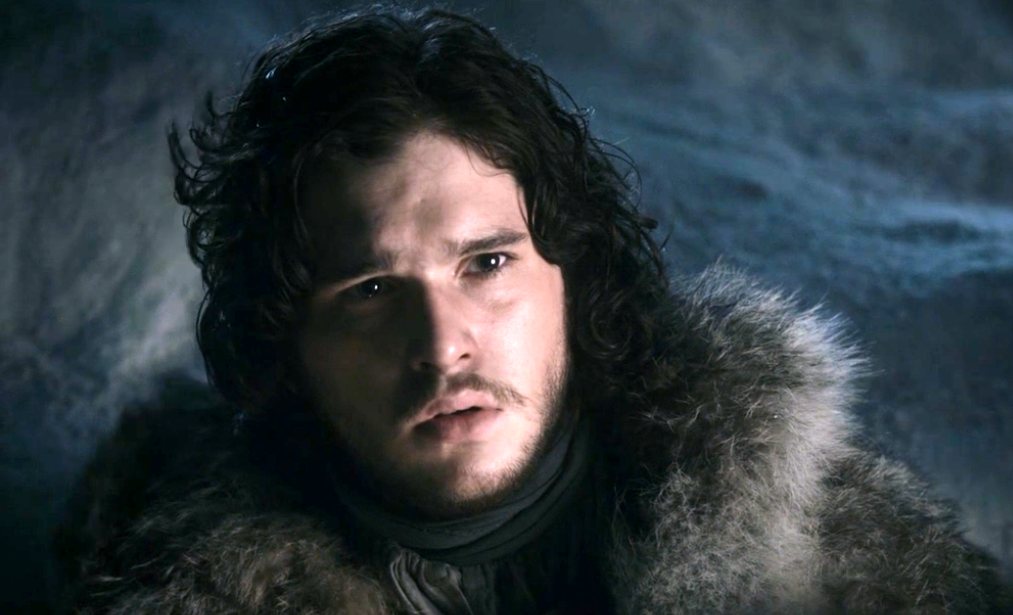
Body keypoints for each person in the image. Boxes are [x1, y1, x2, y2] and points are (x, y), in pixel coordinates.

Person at [59, 6, 1010, 614]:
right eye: (372, 291)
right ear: (288, 346)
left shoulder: (836, 561)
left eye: (486, 262)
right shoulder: (185, 584)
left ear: (572, 277)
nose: (443, 345)